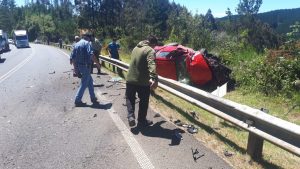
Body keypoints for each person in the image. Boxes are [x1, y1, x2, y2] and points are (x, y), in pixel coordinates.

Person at [126, 35, 159, 127]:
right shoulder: (150, 50)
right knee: (144, 101)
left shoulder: (136, 48)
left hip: (130, 79)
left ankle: (130, 116)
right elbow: (151, 63)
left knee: (130, 98)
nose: (154, 48)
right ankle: (141, 120)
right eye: (155, 46)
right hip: (142, 81)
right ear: (153, 44)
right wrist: (153, 77)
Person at [70, 33, 101, 107]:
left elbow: (73, 59)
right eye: (90, 38)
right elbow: (91, 54)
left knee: (90, 82)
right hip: (86, 66)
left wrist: (76, 69)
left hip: (80, 66)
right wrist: (97, 64)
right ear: (88, 38)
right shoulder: (87, 43)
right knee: (84, 83)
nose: (90, 40)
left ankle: (93, 98)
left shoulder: (77, 44)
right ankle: (77, 100)